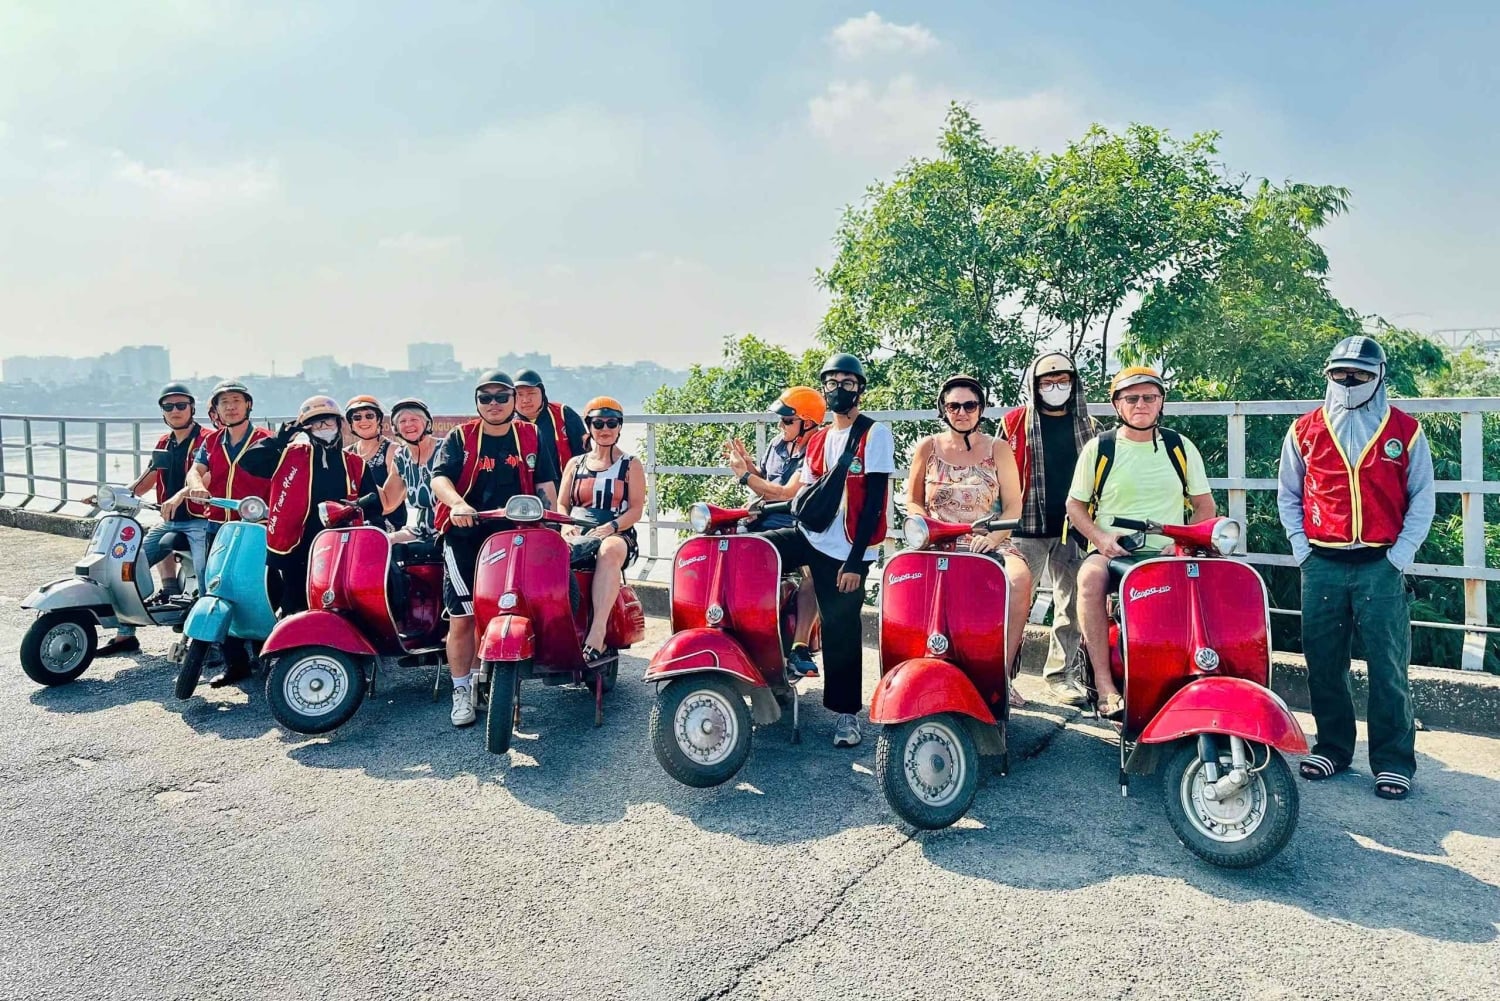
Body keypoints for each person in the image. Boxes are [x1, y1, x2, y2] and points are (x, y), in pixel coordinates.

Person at [1277, 335, 1435, 801]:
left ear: (1379, 376)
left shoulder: (1404, 431)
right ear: (1328, 375)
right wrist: (1301, 550)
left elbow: (1423, 496)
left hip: (1380, 563)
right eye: (1340, 374)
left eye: (1360, 375)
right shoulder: (1305, 430)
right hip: (1321, 561)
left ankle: (1393, 761)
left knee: (1388, 667)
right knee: (1324, 663)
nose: (1349, 382)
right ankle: (1333, 747)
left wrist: (1399, 556)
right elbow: (1289, 493)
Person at [756, 353, 894, 748]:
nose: (840, 389)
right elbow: (805, 495)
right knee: (754, 552)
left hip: (849, 546)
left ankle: (847, 714)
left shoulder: (873, 434)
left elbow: (875, 502)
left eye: (848, 383)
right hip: (811, 536)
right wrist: (762, 509)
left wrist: (855, 561)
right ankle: (772, 663)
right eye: (832, 383)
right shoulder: (817, 438)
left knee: (841, 627)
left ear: (860, 389)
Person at [1065, 366, 1215, 720]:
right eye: (1131, 398)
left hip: (1170, 550)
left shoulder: (1180, 447)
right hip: (1113, 550)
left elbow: (1204, 505)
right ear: (1117, 405)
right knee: (1089, 580)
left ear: (1161, 401)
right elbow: (1075, 505)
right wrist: (1100, 539)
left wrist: (1181, 542)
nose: (1141, 404)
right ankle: (1104, 684)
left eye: (1150, 397)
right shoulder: (1100, 448)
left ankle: (1196, 671)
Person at [431, 371, 560, 728]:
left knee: (506, 608)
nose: (494, 404)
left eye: (501, 397)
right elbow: (439, 477)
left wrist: (550, 520)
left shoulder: (531, 435)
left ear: (513, 401)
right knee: (464, 615)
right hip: (466, 534)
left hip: (515, 534)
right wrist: (457, 505)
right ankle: (461, 689)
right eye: (485, 398)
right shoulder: (461, 437)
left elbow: (546, 483)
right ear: (476, 402)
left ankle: (484, 679)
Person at [907, 375, 1032, 708]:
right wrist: (926, 529)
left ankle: (1000, 676)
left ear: (980, 409)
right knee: (904, 578)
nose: (961, 412)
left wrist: (992, 537)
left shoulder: (998, 449)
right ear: (943, 410)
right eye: (953, 405)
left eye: (969, 405)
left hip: (986, 537)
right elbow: (914, 500)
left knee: (1019, 579)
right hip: (937, 539)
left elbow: (1013, 505)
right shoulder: (928, 447)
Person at [1001, 352, 1098, 705]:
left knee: (1070, 606)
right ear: (1035, 385)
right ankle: (1003, 677)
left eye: (1062, 381)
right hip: (1025, 526)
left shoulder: (1090, 427)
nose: (1055, 388)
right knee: (1014, 603)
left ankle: (1061, 675)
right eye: (1047, 382)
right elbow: (998, 475)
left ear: (1074, 384)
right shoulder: (1014, 424)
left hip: (1073, 528)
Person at [237, 396, 386, 622]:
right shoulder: (289, 455)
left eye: (328, 422)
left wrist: (371, 533)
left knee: (340, 606)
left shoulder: (355, 463)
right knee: (292, 608)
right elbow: (248, 462)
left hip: (340, 548)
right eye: (315, 423)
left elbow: (374, 508)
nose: (323, 427)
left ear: (339, 424)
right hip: (295, 546)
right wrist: (283, 436)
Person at [95, 383, 213, 657]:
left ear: (192, 408)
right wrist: (113, 495)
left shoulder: (208, 440)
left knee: (208, 576)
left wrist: (183, 496)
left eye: (181, 405)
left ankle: (208, 641)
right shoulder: (163, 442)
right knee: (126, 565)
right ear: (162, 411)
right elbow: (146, 480)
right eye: (168, 406)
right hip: (169, 522)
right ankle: (126, 633)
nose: (175, 411)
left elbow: (207, 477)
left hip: (199, 521)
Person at [725, 386, 826, 677]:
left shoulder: (815, 453)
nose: (780, 426)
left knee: (814, 573)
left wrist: (744, 477)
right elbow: (767, 482)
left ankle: (799, 646)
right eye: (780, 421)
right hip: (761, 523)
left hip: (793, 526)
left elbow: (785, 493)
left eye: (787, 421)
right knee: (719, 547)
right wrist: (750, 468)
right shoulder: (777, 445)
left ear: (807, 423)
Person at [557, 397, 647, 661]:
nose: (605, 428)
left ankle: (597, 634)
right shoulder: (575, 464)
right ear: (589, 427)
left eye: (612, 423)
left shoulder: (631, 464)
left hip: (617, 532)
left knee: (609, 551)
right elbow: (562, 504)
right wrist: (565, 527)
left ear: (620, 427)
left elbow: (636, 509)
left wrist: (611, 527)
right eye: (598, 423)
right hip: (578, 531)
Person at [344, 395, 408, 533]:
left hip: (385, 527)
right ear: (351, 423)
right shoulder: (345, 454)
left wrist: (360, 471)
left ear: (378, 419)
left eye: (369, 416)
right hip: (352, 523)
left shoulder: (394, 451)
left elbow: (388, 505)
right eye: (357, 417)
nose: (363, 421)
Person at [381, 397, 442, 542]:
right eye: (402, 421)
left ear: (427, 423)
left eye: (414, 419)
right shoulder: (401, 457)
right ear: (396, 428)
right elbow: (388, 501)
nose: (408, 424)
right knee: (382, 541)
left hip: (449, 528)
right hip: (421, 530)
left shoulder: (446, 449)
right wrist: (360, 471)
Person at [514, 368, 586, 473]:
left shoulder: (563, 414)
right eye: (519, 394)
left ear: (542, 393)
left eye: (531, 393)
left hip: (562, 484)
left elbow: (584, 456)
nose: (525, 400)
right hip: (525, 487)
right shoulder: (508, 423)